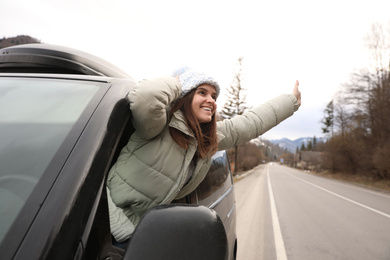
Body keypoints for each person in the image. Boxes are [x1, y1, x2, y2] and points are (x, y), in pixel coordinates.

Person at [106, 69, 301, 244]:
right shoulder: (159, 125)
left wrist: (290, 102)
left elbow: (250, 123)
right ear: (185, 95)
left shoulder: (205, 140)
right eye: (202, 92)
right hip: (105, 221)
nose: (211, 100)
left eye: (214, 96)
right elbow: (145, 97)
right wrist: (176, 83)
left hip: (140, 233)